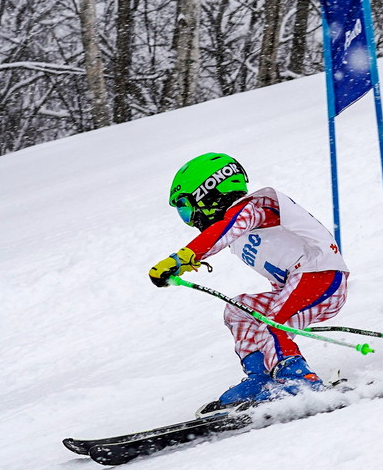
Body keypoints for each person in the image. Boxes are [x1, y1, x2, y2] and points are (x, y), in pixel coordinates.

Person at [148, 153, 348, 411]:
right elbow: (225, 229)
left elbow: (227, 227)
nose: (190, 220)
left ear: (208, 192)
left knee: (275, 322)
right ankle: (261, 379)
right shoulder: (238, 224)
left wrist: (182, 258)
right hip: (296, 287)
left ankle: (301, 382)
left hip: (321, 278)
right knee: (238, 310)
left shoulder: (254, 207)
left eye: (186, 208)